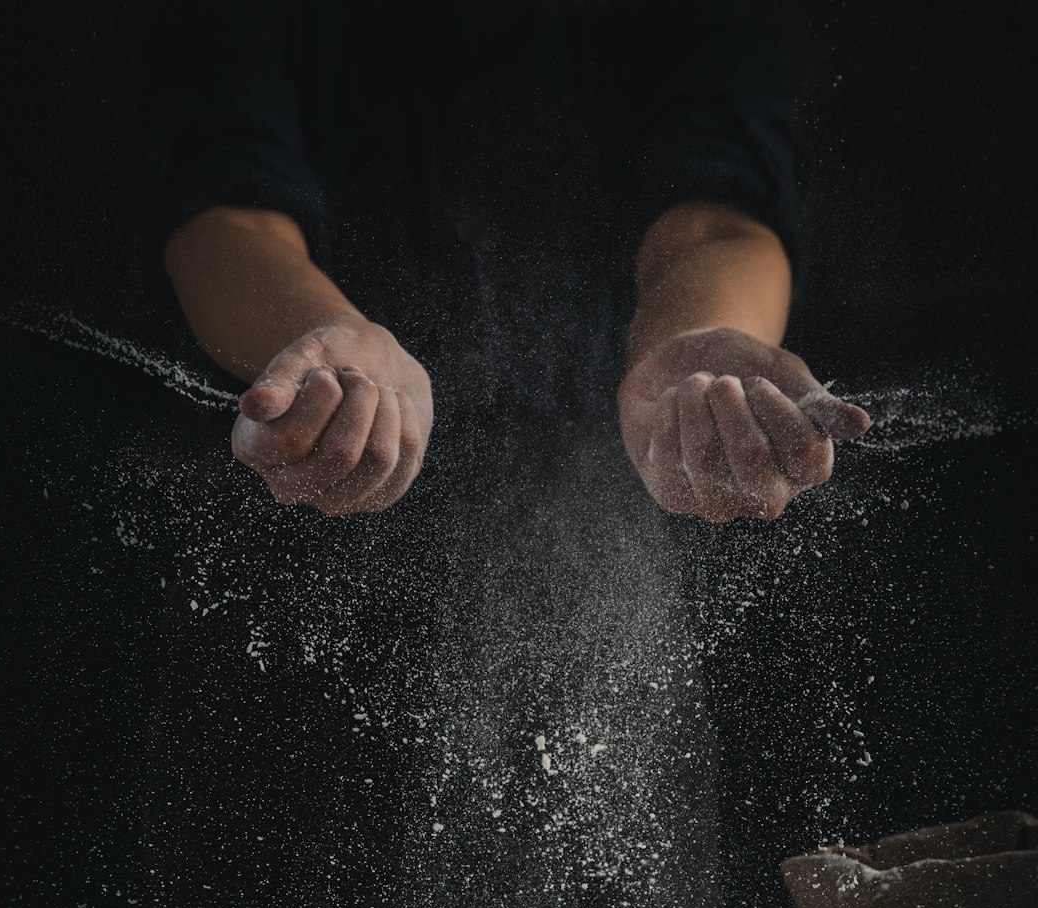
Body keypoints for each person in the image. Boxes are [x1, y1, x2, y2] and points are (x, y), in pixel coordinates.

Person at [149, 0, 870, 525]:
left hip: (621, 512)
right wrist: (320, 341)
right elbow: (224, 206)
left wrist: (696, 345)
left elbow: (721, 213)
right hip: (291, 512)